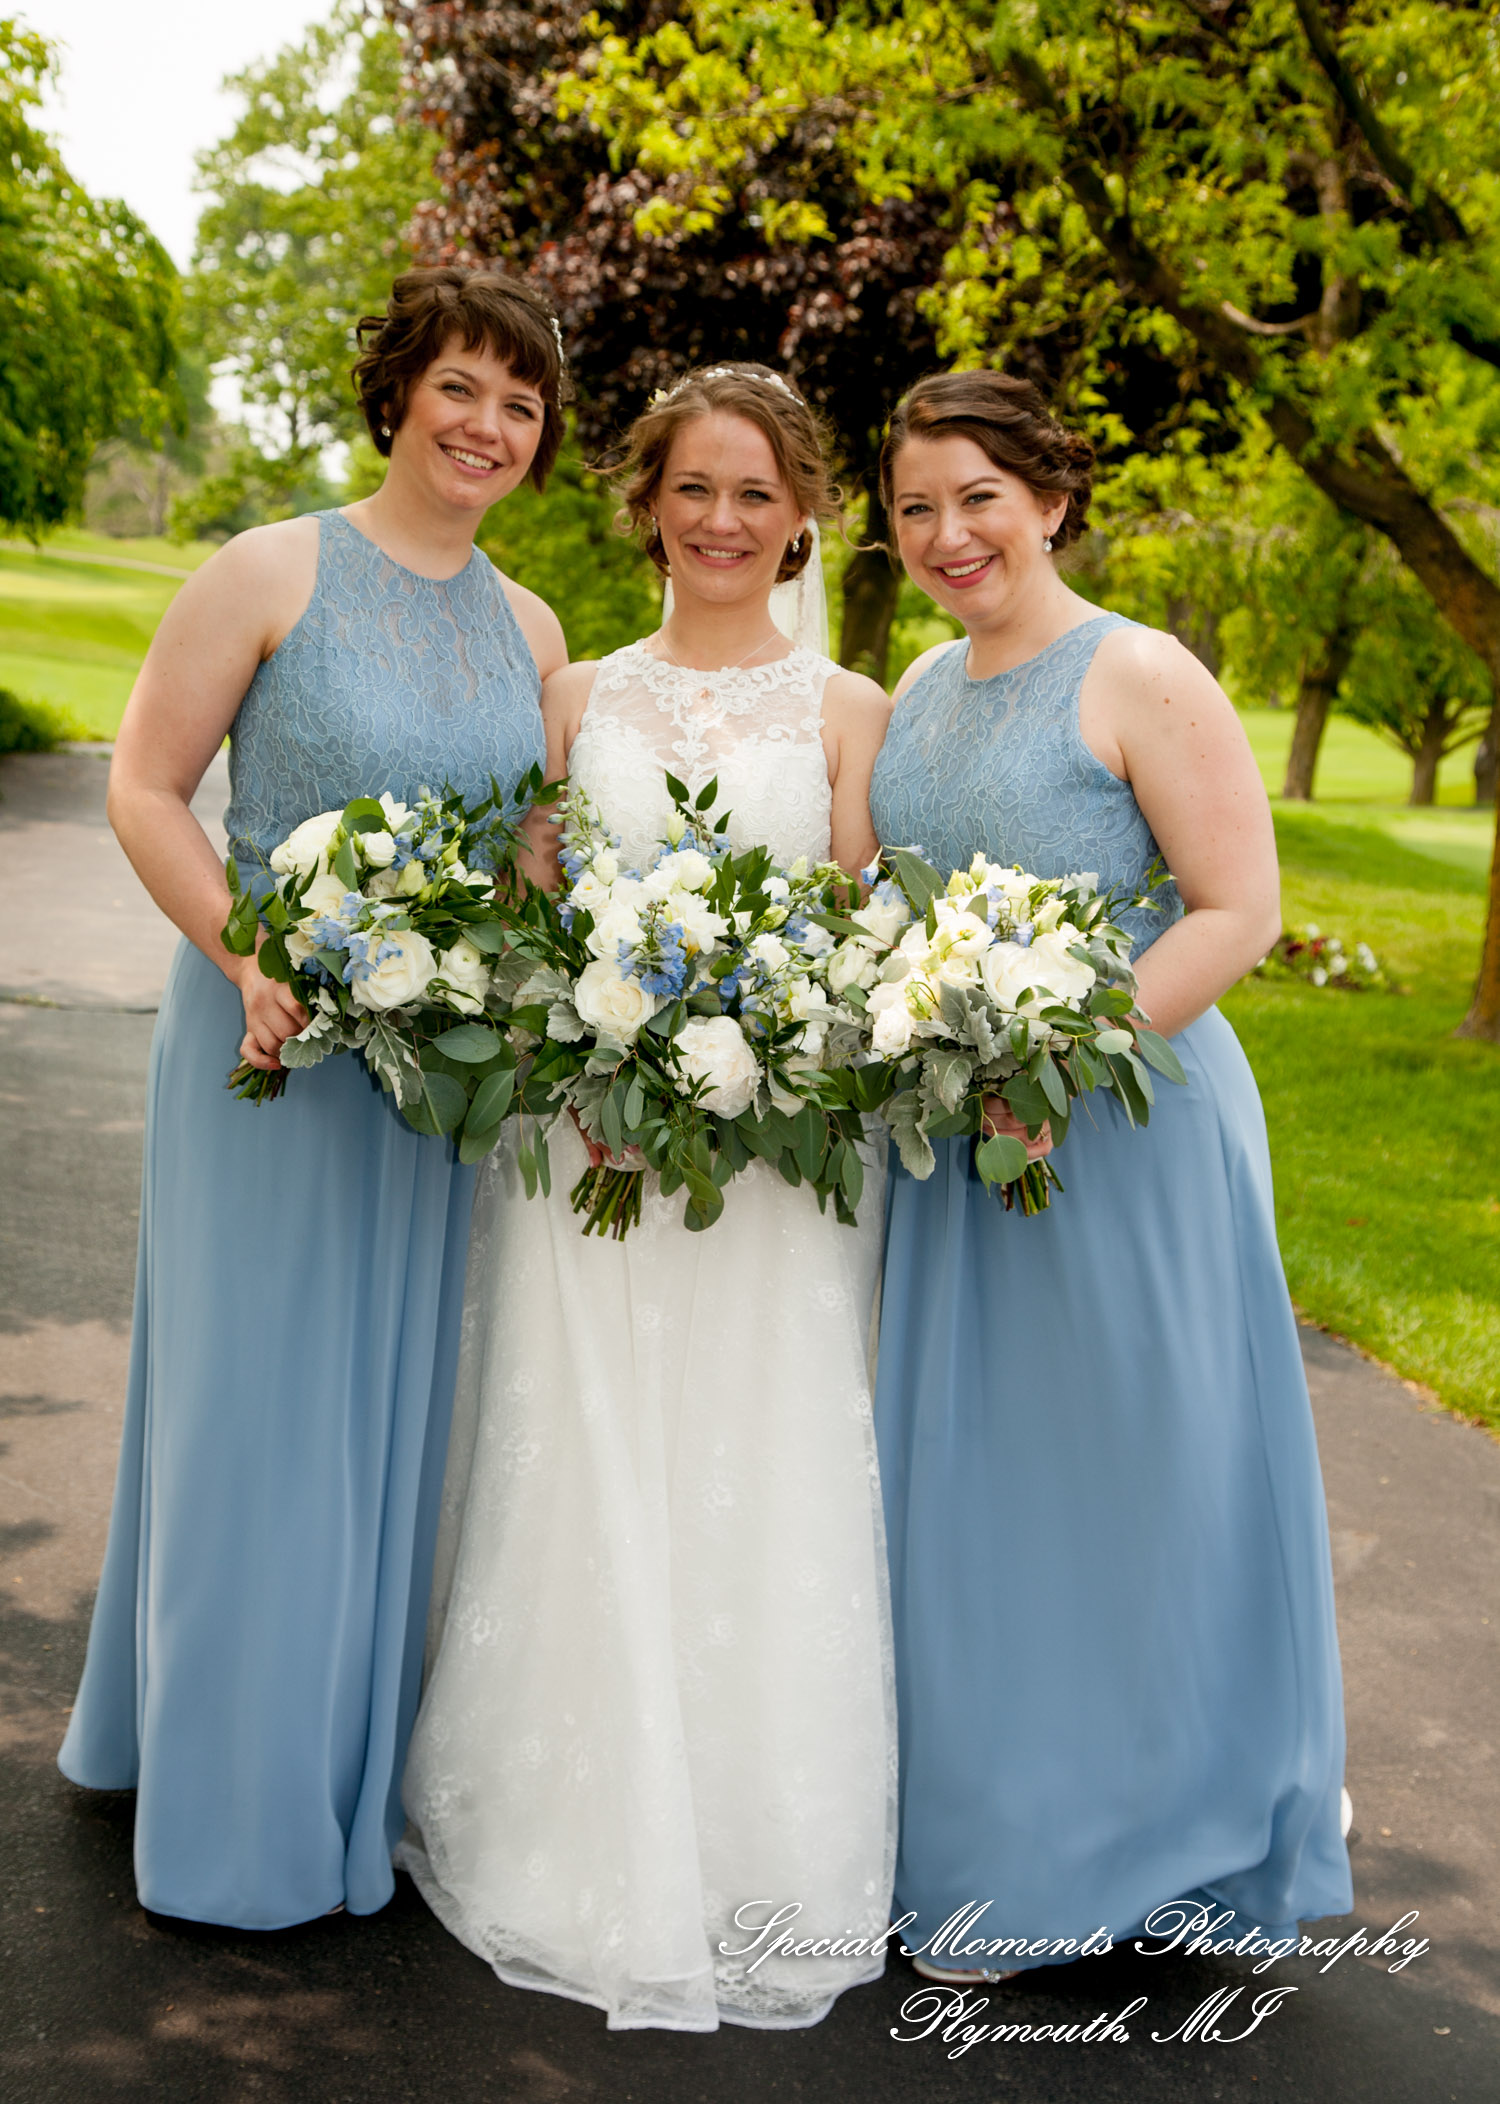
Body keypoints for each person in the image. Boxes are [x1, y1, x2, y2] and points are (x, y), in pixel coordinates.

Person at [58, 266, 567, 1929]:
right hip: (267, 1059)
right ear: (397, 391)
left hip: (432, 1098)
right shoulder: (272, 567)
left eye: (521, 400)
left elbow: (531, 864)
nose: (488, 424)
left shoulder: (533, 630)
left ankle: (319, 1765)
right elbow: (145, 784)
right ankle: (234, 1817)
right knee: (252, 1418)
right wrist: (244, 955)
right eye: (462, 386)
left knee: (384, 1430)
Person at [397, 363, 897, 2030]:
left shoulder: (851, 713)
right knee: (586, 1448)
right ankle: (568, 1828)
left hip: (769, 1177)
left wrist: (748, 1058)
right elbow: (536, 920)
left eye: (757, 493)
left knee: (755, 1465)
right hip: (582, 1153)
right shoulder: (577, 696)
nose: (725, 522)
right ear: (646, 502)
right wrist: (591, 1070)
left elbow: (851, 941)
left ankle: (753, 1842)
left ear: (804, 512)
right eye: (694, 488)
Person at [869, 369, 1352, 1984]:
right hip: (962, 1141)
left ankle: (1136, 1844)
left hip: (1123, 1128)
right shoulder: (921, 685)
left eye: (979, 498)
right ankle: (997, 1828)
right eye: (918, 507)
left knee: (1125, 1485)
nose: (949, 535)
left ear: (1052, 498)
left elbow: (1235, 909)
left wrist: (1057, 1052)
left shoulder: (1142, 672)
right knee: (975, 1494)